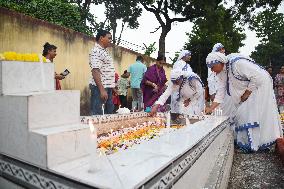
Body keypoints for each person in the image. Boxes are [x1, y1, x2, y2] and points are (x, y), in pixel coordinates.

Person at [205, 52, 283, 152]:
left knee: (249, 116)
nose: (212, 70)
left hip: (259, 87)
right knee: (242, 115)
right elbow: (220, 92)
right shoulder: (223, 72)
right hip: (249, 91)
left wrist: (247, 93)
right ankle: (250, 144)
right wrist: (211, 108)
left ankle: (253, 146)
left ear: (220, 62)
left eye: (213, 67)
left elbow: (258, 76)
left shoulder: (237, 64)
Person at [89, 29, 115, 115]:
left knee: (108, 116)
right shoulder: (96, 51)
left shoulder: (103, 51)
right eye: (109, 38)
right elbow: (95, 70)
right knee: (98, 116)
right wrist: (102, 89)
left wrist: (112, 86)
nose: (110, 40)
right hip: (100, 88)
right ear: (101, 38)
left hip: (107, 87)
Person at [171, 50, 193, 121]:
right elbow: (177, 75)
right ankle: (174, 118)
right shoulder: (178, 63)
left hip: (186, 86)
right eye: (188, 55)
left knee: (184, 102)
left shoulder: (188, 65)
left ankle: (182, 118)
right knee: (176, 101)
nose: (190, 56)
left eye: (190, 55)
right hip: (178, 85)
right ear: (183, 55)